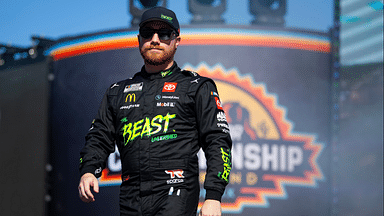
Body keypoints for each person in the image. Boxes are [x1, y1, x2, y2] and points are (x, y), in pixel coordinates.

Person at [78, 6, 232, 216]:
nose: (155, 39)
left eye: (165, 33)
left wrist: (213, 196)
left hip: (177, 192)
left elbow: (218, 141)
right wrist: (88, 171)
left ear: (177, 40)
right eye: (148, 33)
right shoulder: (118, 92)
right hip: (131, 197)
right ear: (139, 39)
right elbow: (99, 137)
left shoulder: (197, 86)